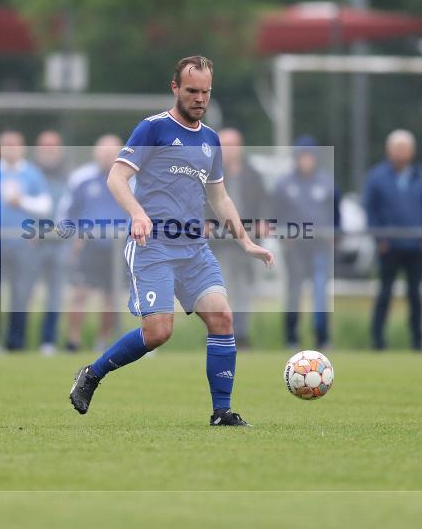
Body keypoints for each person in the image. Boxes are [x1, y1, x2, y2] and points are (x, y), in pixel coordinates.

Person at [69, 55, 275, 427]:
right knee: (158, 332)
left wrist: (245, 241)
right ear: (175, 88)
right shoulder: (153, 129)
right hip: (154, 247)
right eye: (192, 90)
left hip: (194, 249)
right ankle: (92, 373)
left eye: (206, 92)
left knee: (222, 317)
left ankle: (221, 412)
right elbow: (116, 178)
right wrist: (137, 213)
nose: (200, 98)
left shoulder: (210, 140)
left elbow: (219, 198)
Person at [0, 131, 51, 351]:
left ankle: (15, 342)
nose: (10, 149)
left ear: (22, 148)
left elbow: (45, 206)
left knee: (20, 294)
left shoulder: (32, 174)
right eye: (6, 145)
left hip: (22, 245)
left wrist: (21, 201)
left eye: (14, 144)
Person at [273, 135, 339, 349]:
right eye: (302, 156)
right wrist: (283, 236)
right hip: (295, 248)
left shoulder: (327, 183)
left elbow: (336, 215)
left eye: (309, 156)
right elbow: (275, 215)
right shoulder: (284, 184)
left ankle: (322, 337)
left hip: (320, 247)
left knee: (320, 292)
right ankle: (291, 338)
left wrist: (335, 234)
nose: (306, 161)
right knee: (294, 292)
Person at [364, 130, 422, 351]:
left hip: (416, 246)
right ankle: (377, 340)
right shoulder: (377, 177)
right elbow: (370, 210)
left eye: (404, 148)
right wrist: (379, 238)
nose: (400, 153)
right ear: (388, 150)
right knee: (384, 294)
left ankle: (418, 341)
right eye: (397, 148)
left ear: (412, 151)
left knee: (415, 295)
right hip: (388, 247)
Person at [63, 134, 126, 351]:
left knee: (111, 296)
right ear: (95, 153)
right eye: (103, 152)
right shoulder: (81, 178)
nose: (108, 157)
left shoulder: (131, 178)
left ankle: (103, 342)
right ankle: (73, 342)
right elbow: (67, 213)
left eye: (112, 152)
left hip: (118, 248)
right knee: (80, 293)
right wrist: (74, 237)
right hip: (88, 247)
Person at [208, 127, 268, 349]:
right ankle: (220, 335)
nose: (229, 150)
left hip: (247, 244)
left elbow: (265, 203)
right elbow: (199, 203)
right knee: (220, 290)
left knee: (243, 290)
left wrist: (263, 222)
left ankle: (241, 336)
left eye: (233, 145)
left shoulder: (253, 175)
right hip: (219, 244)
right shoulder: (208, 175)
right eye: (225, 145)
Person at [33, 130, 71, 354]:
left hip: (60, 244)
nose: (49, 149)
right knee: (22, 293)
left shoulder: (69, 175)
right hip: (31, 243)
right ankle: (14, 341)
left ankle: (48, 341)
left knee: (55, 295)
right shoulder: (29, 173)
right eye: (45, 145)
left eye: (53, 145)